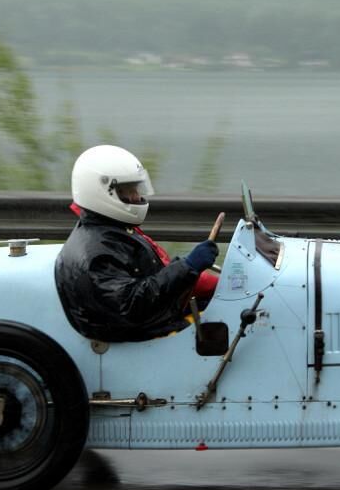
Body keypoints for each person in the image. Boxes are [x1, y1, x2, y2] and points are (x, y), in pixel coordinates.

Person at [55, 145, 219, 342]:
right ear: (99, 191)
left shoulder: (111, 232)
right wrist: (187, 267)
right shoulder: (96, 254)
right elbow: (132, 306)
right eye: (126, 191)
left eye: (136, 189)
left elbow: (152, 275)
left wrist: (201, 277)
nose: (136, 197)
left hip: (157, 321)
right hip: (148, 335)